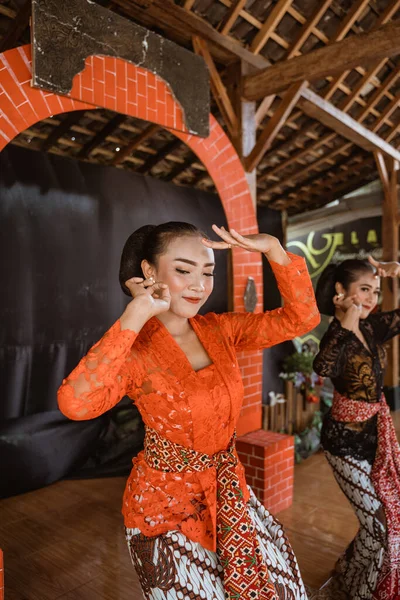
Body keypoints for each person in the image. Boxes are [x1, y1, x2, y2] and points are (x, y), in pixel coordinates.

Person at [58, 221, 320, 600]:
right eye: (183, 270)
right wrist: (136, 313)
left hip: (229, 491)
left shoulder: (220, 330)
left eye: (208, 272)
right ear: (149, 271)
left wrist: (274, 250)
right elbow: (75, 404)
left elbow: (302, 319)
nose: (200, 284)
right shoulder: (135, 350)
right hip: (164, 512)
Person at [313, 256, 400, 600]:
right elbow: (323, 365)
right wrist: (345, 324)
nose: (370, 299)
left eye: (375, 291)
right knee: (379, 526)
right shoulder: (338, 334)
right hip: (343, 445)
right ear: (340, 291)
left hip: (375, 438)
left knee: (382, 519)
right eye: (364, 289)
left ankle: (346, 572)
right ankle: (360, 591)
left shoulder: (371, 327)